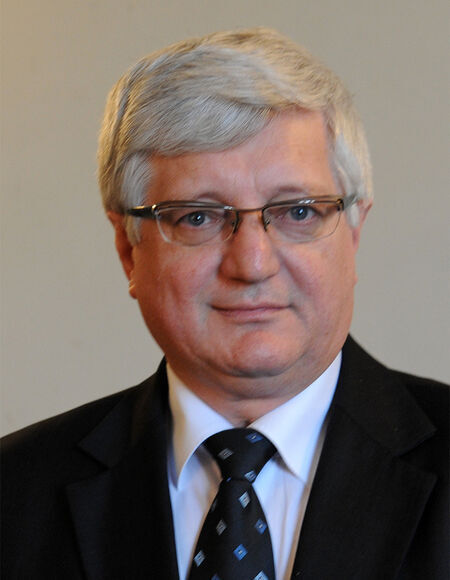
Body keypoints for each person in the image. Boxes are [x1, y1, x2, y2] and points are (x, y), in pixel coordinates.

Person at [1, 27, 448, 580]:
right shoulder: (12, 495)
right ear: (128, 250)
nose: (252, 264)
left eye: (298, 211)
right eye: (198, 217)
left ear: (353, 234)